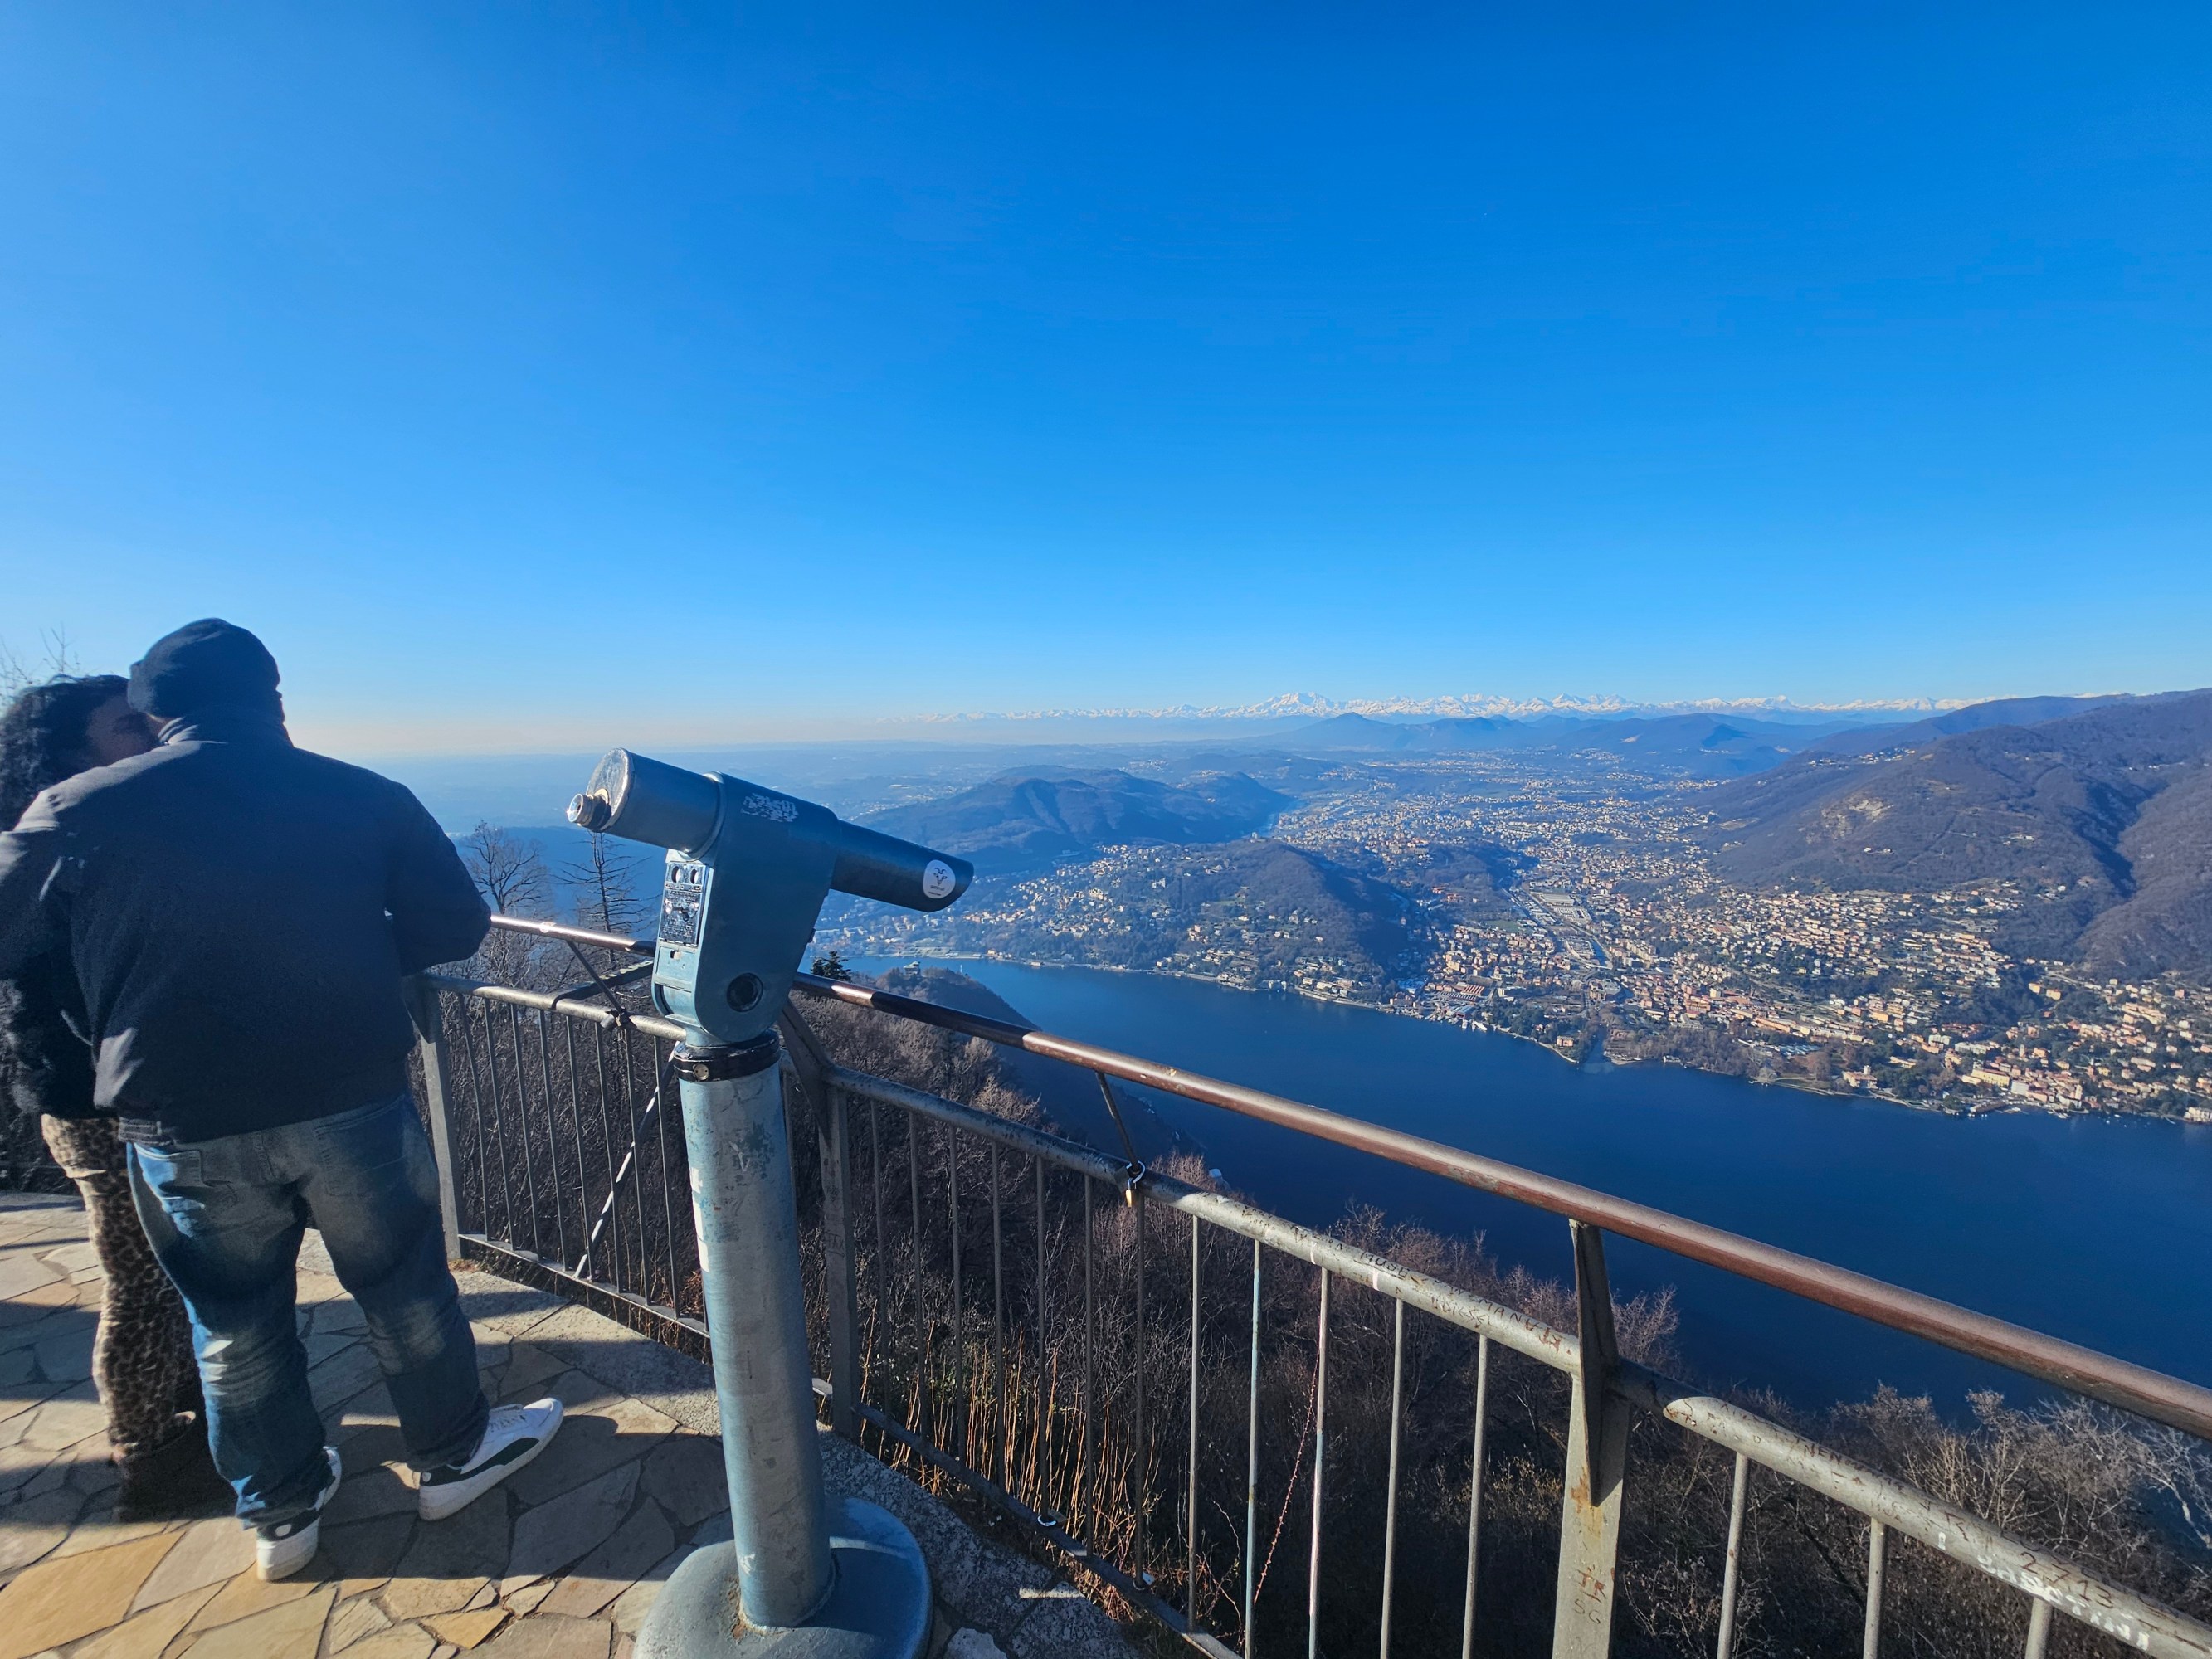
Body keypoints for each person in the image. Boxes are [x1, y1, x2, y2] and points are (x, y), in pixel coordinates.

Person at [0, 620, 563, 1580]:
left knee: (232, 1320)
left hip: (178, 1112)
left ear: (155, 709)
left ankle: (282, 1510)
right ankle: (450, 1454)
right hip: (345, 1088)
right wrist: (344, 946)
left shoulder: (76, 806)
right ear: (274, 699)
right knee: (402, 1288)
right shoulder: (361, 793)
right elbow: (456, 923)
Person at [0, 674, 231, 1520]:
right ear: (69, 748)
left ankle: (207, 1412)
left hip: (125, 1081)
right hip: (94, 1095)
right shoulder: (53, 836)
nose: (148, 734)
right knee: (139, 1270)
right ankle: (152, 1449)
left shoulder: (77, 827)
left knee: (183, 1261)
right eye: (126, 725)